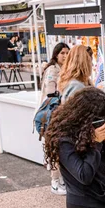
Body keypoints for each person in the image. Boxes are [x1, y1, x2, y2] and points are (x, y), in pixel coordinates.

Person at [41, 42, 70, 195]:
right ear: (56, 54)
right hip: (53, 114)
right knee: (54, 148)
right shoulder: (53, 69)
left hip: (60, 114)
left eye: (67, 53)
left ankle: (61, 180)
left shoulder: (63, 69)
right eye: (62, 53)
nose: (65, 56)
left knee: (60, 147)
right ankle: (54, 182)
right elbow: (50, 93)